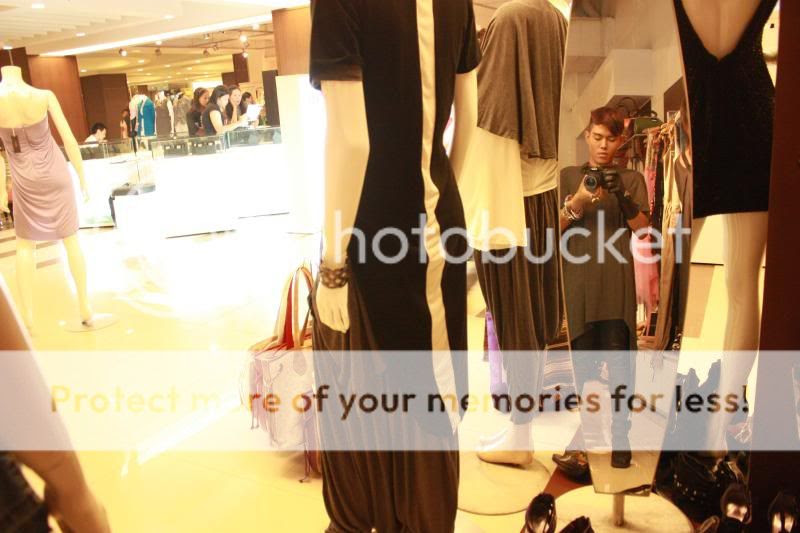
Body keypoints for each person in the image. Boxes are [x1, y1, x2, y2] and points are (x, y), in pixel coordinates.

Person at [554, 107, 650, 472]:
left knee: (620, 365)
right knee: (584, 367)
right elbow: (551, 231)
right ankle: (586, 436)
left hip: (616, 285)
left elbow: (643, 231)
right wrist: (578, 201)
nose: (603, 146)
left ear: (620, 141)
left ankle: (621, 436)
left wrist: (622, 195)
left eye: (611, 139)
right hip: (578, 284)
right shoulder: (568, 176)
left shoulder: (633, 179)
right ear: (587, 136)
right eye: (597, 137)